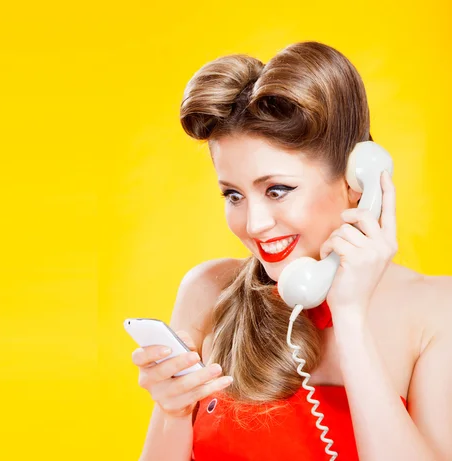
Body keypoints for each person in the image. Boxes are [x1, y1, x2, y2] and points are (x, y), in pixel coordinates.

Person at [129, 41, 452, 461]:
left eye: (277, 190)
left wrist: (351, 319)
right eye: (233, 194)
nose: (254, 223)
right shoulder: (208, 292)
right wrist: (173, 410)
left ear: (358, 182)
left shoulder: (434, 311)